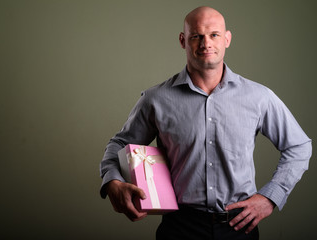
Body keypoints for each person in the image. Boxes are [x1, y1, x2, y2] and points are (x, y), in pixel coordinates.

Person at [99, 6, 312, 240]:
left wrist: (271, 197)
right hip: (179, 228)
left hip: (240, 228)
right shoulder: (156, 99)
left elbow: (299, 146)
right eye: (196, 36)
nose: (206, 43)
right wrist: (113, 181)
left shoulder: (259, 97)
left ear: (227, 39)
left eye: (214, 35)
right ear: (183, 41)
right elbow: (119, 144)